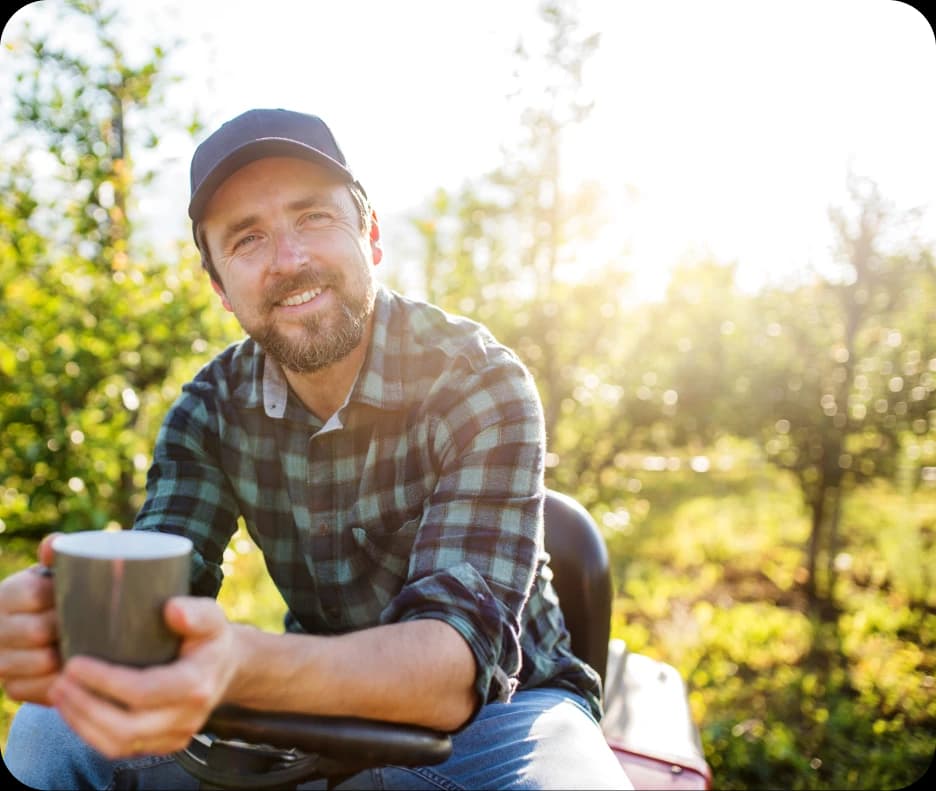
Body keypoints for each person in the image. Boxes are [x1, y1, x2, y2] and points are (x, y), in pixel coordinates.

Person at [1, 108, 632, 790]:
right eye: (247, 239)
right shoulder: (208, 410)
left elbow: (453, 673)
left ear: (372, 236)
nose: (290, 260)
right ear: (218, 285)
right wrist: (72, 620)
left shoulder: (476, 380)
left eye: (313, 218)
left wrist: (242, 663)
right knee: (48, 730)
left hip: (503, 713)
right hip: (306, 707)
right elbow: (161, 595)